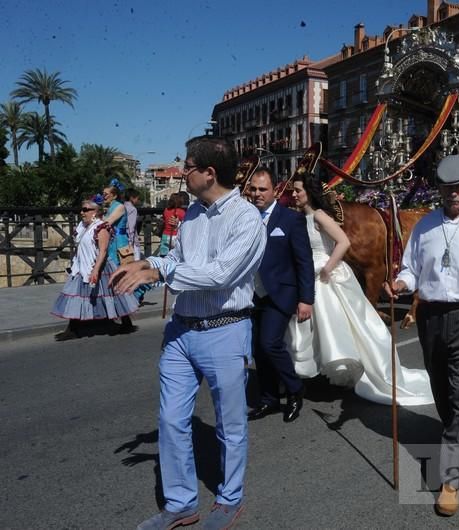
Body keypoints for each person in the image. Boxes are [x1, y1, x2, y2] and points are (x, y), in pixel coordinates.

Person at [112, 136, 267, 530]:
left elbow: (220, 275)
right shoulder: (194, 214)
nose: (182, 171)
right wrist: (148, 262)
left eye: (188, 165)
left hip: (225, 331)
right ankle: (181, 504)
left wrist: (161, 272)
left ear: (209, 173)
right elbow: (179, 259)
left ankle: (229, 499)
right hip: (181, 332)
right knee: (170, 420)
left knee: (230, 425)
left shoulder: (247, 219)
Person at [385, 155, 459, 517]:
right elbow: (411, 269)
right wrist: (400, 283)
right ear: (438, 189)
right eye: (446, 188)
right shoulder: (424, 227)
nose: (453, 194)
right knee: (442, 387)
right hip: (431, 318)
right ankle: (454, 432)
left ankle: (450, 479)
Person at [286, 172, 433, 406]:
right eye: (293, 190)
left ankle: (348, 366)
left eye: (297, 190)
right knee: (318, 326)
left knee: (337, 323)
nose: (293, 194)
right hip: (308, 276)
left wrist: (327, 268)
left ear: (309, 193)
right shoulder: (299, 218)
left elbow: (343, 241)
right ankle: (321, 367)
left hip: (325, 276)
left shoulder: (320, 216)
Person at [246, 169, 315, 423]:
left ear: (274, 190)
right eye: (253, 189)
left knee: (270, 343)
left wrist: (306, 298)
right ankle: (269, 398)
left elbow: (304, 261)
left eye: (262, 189)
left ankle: (295, 389)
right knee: (258, 350)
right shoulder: (245, 218)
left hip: (281, 292)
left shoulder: (290, 219)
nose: (257, 194)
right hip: (253, 295)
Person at [51, 199, 139, 340]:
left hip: (100, 266)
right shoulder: (83, 226)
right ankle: (72, 328)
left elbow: (103, 251)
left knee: (114, 294)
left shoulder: (101, 227)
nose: (82, 212)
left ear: (95, 212)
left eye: (85, 210)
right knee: (77, 294)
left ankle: (126, 322)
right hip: (82, 266)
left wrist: (95, 270)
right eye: (82, 209)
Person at [102, 185, 129, 266]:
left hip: (119, 240)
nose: (104, 197)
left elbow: (107, 222)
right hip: (112, 239)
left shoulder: (120, 206)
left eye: (106, 194)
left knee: (118, 264)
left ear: (114, 196)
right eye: (103, 194)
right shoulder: (110, 207)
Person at [124, 189, 142, 261]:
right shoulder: (132, 209)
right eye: (137, 198)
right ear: (132, 198)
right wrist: (130, 242)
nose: (138, 200)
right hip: (131, 241)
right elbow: (131, 227)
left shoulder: (122, 206)